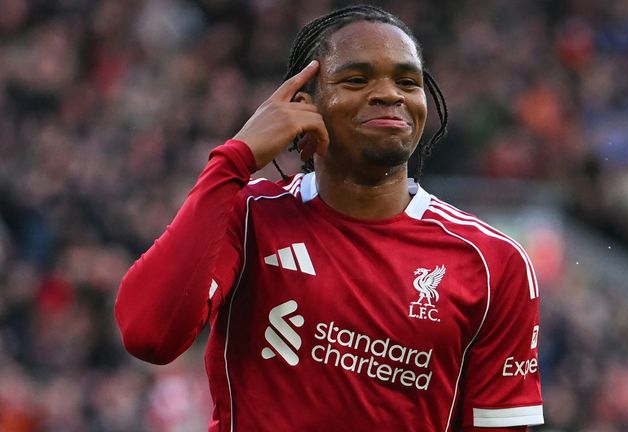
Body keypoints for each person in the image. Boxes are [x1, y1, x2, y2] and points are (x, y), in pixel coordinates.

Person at [115, 5, 543, 431]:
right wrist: (234, 160)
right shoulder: (247, 217)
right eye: (357, 79)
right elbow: (149, 334)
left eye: (408, 81)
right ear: (303, 105)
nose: (389, 94)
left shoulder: (493, 262)